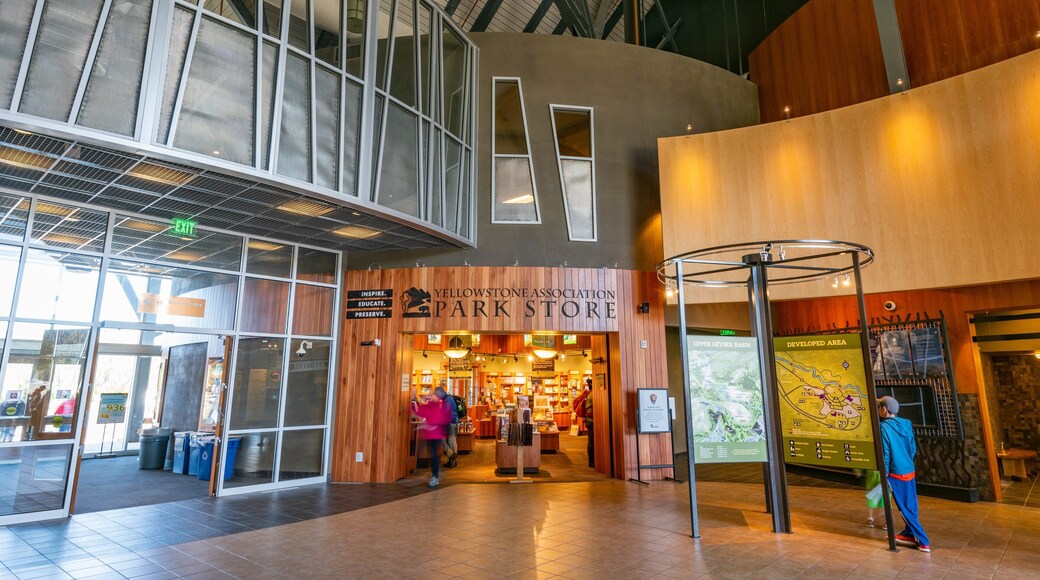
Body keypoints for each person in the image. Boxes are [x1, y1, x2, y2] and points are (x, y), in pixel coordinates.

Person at [878, 395, 931, 553]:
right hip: (909, 469)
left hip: (896, 472)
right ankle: (908, 534)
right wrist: (906, 461)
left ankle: (923, 540)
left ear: (885, 409)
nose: (879, 409)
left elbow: (885, 452)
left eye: (880, 407)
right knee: (911, 504)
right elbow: (913, 448)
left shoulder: (884, 427)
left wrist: (885, 472)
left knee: (904, 508)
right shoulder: (906, 424)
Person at [414, 390, 451, 487]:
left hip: (435, 434)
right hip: (433, 434)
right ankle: (435, 475)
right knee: (433, 454)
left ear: (438, 397)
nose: (431, 395)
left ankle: (435, 476)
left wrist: (428, 426)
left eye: (434, 394)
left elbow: (436, 418)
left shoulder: (438, 406)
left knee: (434, 454)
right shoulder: (435, 405)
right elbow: (421, 412)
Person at [573, 378, 594, 468]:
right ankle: (592, 460)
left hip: (589, 420)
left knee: (591, 440)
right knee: (592, 441)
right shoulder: (593, 394)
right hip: (592, 421)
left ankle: (592, 460)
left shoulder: (589, 394)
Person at [441, 386, 459, 468]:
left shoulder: (447, 399)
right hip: (453, 422)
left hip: (450, 422)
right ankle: (452, 458)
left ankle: (452, 457)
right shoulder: (448, 398)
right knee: (451, 440)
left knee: (448, 439)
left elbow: (446, 411)